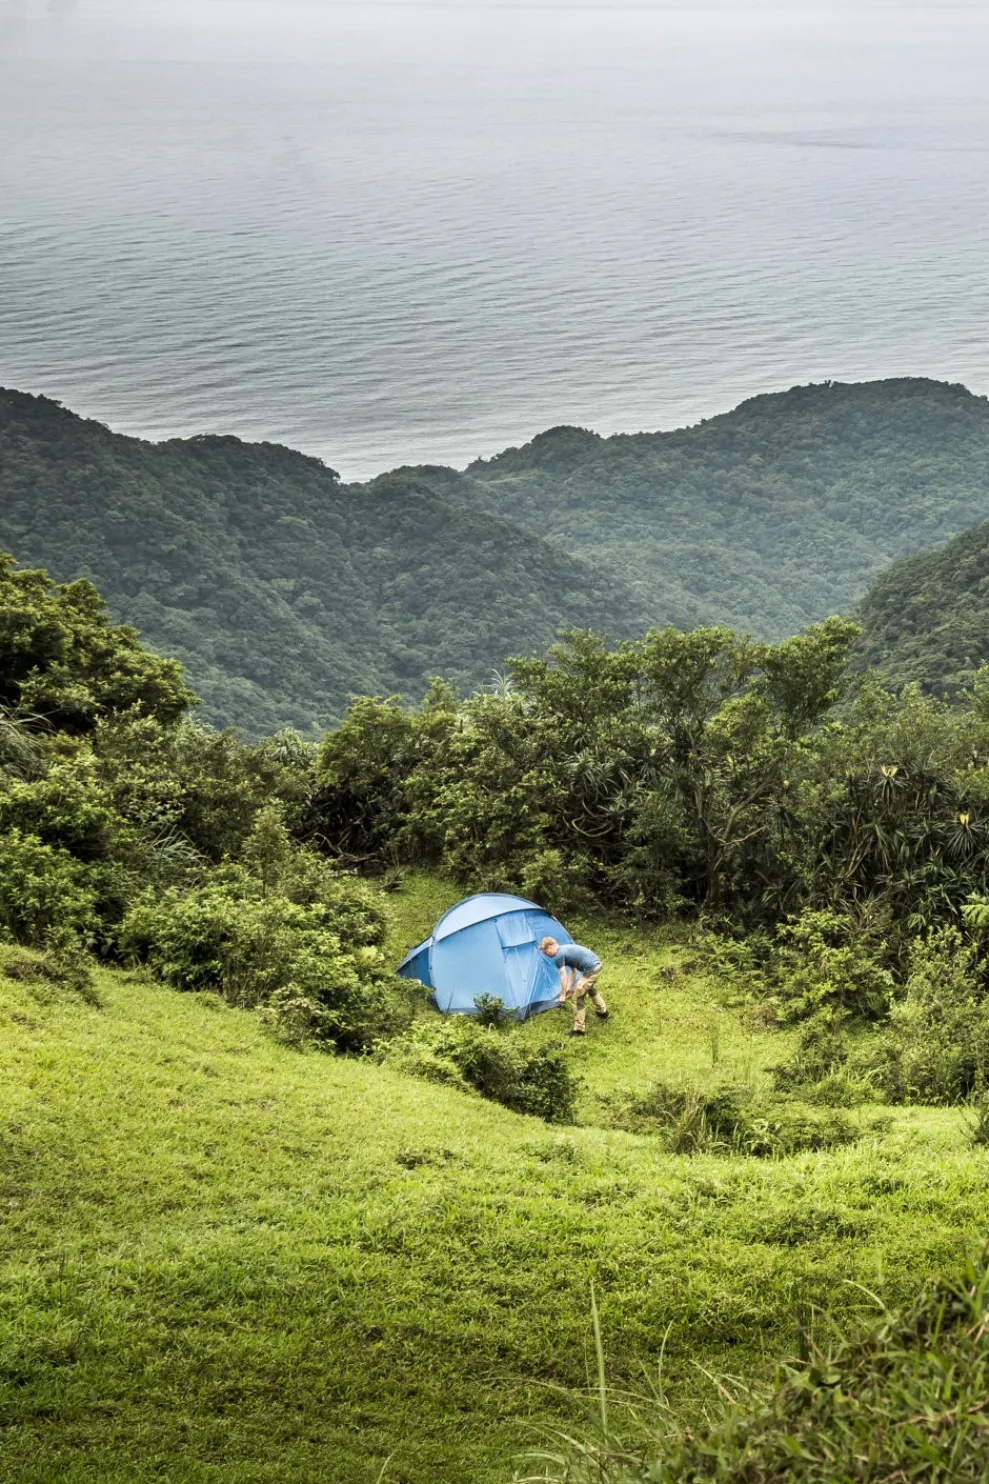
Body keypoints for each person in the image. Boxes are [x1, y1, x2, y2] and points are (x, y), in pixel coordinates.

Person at [540, 936, 608, 1037]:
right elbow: (573, 971)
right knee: (590, 989)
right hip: (597, 966)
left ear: (550, 947)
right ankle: (603, 1012)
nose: (546, 955)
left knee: (577, 999)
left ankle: (579, 1030)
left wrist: (563, 995)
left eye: (545, 952)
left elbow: (563, 976)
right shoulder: (565, 949)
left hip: (591, 970)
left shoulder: (558, 955)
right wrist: (569, 989)